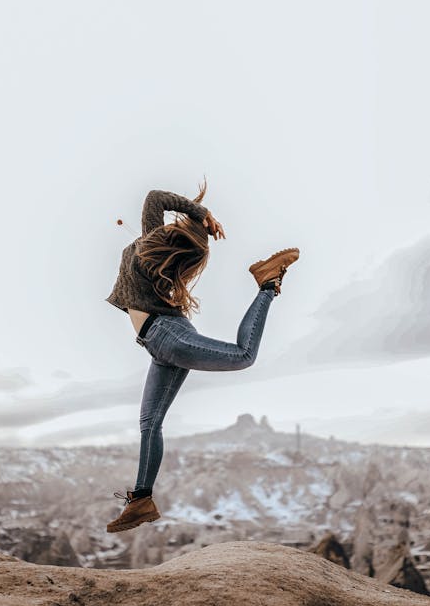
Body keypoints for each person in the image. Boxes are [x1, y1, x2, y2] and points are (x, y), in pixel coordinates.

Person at [104, 179, 300, 533]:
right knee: (150, 423)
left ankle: (267, 285)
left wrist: (199, 214)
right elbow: (154, 198)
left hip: (168, 338)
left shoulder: (147, 248)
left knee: (243, 355)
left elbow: (154, 199)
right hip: (161, 342)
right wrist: (202, 212)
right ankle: (142, 501)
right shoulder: (150, 249)